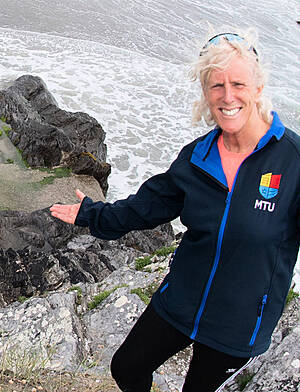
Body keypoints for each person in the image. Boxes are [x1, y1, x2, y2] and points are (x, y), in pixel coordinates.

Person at [49, 31, 300, 392]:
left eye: (238, 84)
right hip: (181, 298)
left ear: (258, 88)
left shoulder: (292, 160)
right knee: (127, 367)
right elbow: (146, 207)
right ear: (205, 93)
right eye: (217, 86)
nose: (227, 97)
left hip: (239, 320)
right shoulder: (197, 158)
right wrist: (92, 214)